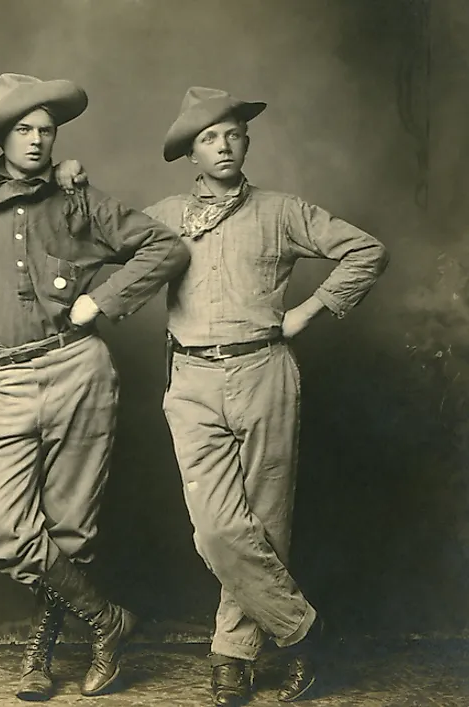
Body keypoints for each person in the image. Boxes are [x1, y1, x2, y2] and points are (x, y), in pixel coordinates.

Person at [0, 73, 190, 701]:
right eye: (23, 129)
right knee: (4, 533)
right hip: (8, 381)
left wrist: (100, 300)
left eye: (46, 130)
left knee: (70, 529)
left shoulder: (79, 200)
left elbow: (164, 247)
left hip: (80, 370)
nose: (37, 139)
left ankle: (38, 656)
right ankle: (109, 620)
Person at [142, 86, 389, 706]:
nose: (222, 145)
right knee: (217, 530)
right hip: (191, 381)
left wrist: (310, 309)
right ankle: (303, 632)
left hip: (265, 374)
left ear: (246, 141)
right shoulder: (165, 215)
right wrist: (70, 179)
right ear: (191, 153)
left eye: (231, 134)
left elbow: (366, 251)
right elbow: (91, 240)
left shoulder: (281, 210)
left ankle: (232, 653)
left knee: (265, 522)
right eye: (208, 137)